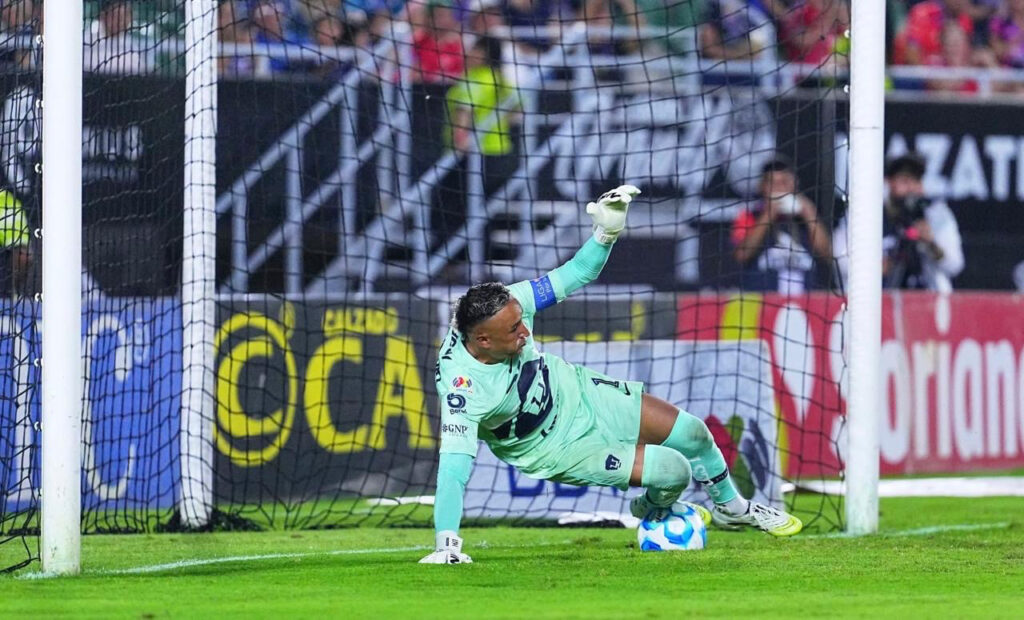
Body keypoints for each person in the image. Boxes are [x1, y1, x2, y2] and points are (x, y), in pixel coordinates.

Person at [420, 185, 802, 565]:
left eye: (522, 321)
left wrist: (606, 233)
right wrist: (447, 544)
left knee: (693, 433)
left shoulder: (511, 301)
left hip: (575, 391)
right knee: (674, 472)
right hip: (554, 448)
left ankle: (732, 508)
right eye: (514, 329)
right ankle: (653, 505)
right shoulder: (463, 387)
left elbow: (577, 272)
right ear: (483, 340)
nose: (525, 331)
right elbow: (453, 470)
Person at [835, 153, 964, 292]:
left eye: (916, 180)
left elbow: (955, 265)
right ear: (888, 182)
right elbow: (840, 257)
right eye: (904, 180)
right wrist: (878, 267)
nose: (911, 187)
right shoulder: (867, 213)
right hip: (878, 295)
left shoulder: (936, 214)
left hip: (926, 296)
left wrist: (931, 243)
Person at [731, 157, 833, 295]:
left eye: (784, 182)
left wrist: (810, 214)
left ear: (795, 184)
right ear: (762, 187)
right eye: (773, 183)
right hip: (763, 300)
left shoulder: (806, 218)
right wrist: (768, 216)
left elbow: (827, 255)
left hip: (807, 302)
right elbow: (741, 255)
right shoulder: (749, 215)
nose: (779, 188)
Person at [0, 188, 31, 297]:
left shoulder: (7, 201)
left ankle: (14, 293)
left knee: (22, 256)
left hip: (7, 252)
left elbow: (23, 251)